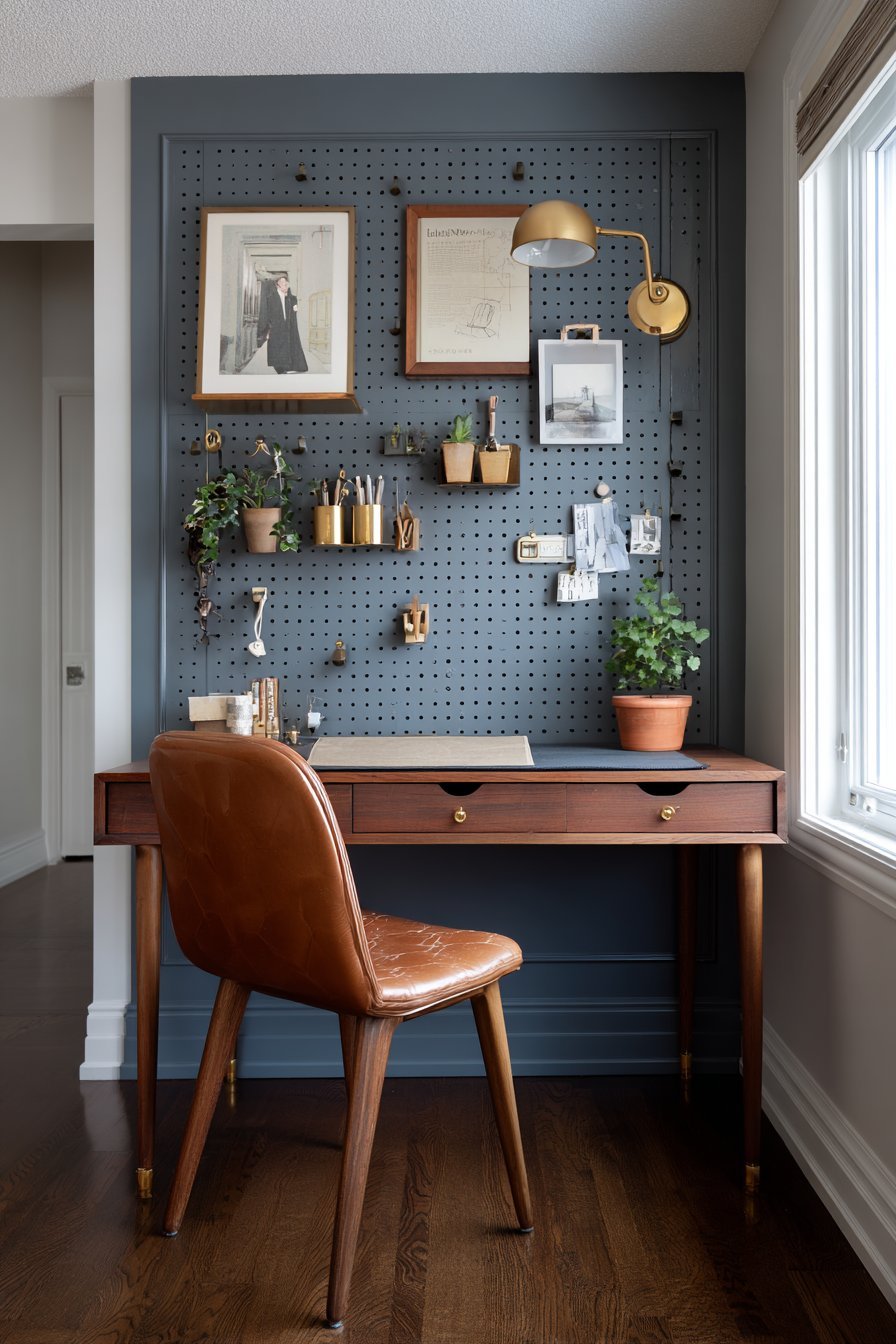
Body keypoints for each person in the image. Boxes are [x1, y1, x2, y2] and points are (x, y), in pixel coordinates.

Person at [257, 274, 308, 374]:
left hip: (287, 327)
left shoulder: (290, 298)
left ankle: (287, 367)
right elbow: (265, 314)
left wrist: (294, 305)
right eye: (283, 284)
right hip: (275, 327)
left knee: (287, 347)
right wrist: (266, 330)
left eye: (286, 284)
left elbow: (294, 311)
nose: (286, 286)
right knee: (277, 349)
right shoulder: (270, 298)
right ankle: (279, 368)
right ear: (277, 285)